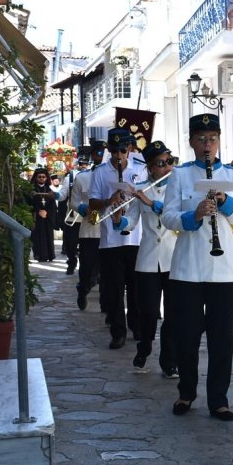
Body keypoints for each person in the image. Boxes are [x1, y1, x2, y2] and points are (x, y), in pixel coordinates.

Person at [161, 114, 233, 421]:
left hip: (224, 270)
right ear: (191, 142)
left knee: (222, 338)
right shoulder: (180, 176)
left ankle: (219, 400)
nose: (207, 144)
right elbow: (168, 217)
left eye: (212, 138)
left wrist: (225, 202)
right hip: (186, 268)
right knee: (185, 336)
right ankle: (186, 392)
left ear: (219, 140)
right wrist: (195, 214)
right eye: (201, 139)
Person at [122, 141, 178, 378]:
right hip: (147, 260)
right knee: (148, 311)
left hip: (175, 258)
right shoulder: (140, 189)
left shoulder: (179, 188)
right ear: (150, 168)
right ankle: (144, 349)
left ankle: (168, 360)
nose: (166, 168)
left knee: (173, 314)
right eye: (160, 164)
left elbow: (173, 216)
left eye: (169, 162)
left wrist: (150, 202)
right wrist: (117, 220)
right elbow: (131, 222)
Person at [89, 127, 146, 349]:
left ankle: (136, 326)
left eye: (122, 150)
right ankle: (118, 332)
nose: (118, 155)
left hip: (135, 238)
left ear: (130, 149)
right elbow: (93, 204)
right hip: (110, 240)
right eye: (114, 150)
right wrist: (108, 200)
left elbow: (147, 197)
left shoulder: (140, 170)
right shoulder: (100, 172)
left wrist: (133, 196)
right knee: (113, 288)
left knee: (136, 287)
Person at [72, 141, 105, 311]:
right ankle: (83, 288)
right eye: (98, 153)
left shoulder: (115, 177)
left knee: (108, 273)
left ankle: (109, 307)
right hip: (90, 230)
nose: (101, 156)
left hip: (109, 231)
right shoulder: (82, 178)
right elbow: (74, 201)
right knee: (87, 267)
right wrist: (82, 208)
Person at [29, 167, 57, 262]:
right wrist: (38, 211)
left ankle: (49, 255)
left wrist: (47, 213)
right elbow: (28, 203)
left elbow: (53, 206)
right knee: (37, 237)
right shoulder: (31, 190)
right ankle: (39, 255)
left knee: (48, 236)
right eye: (39, 176)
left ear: (46, 178)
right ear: (36, 178)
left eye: (43, 177)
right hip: (36, 217)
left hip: (47, 217)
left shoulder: (49, 191)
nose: (41, 178)